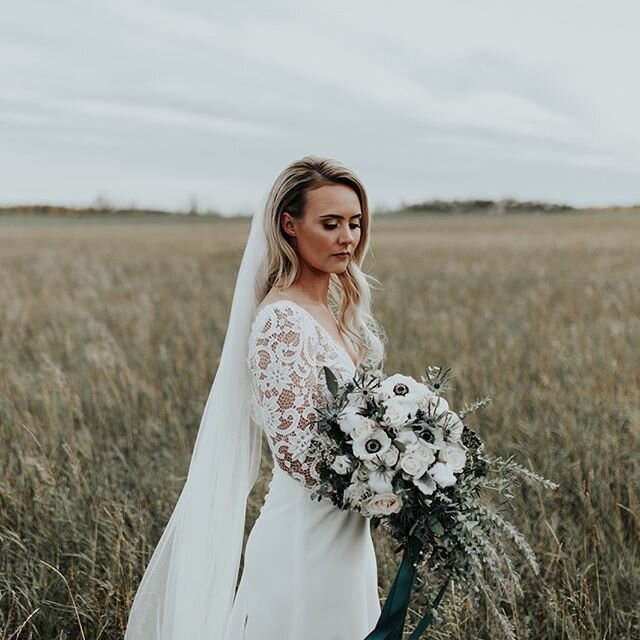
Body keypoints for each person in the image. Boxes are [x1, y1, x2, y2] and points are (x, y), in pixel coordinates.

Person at [124, 156, 386, 640]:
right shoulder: (282, 322)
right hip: (304, 546)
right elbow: (298, 454)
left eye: (354, 223)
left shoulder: (330, 312)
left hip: (348, 544)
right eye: (330, 224)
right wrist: (396, 483)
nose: (347, 236)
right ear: (289, 225)